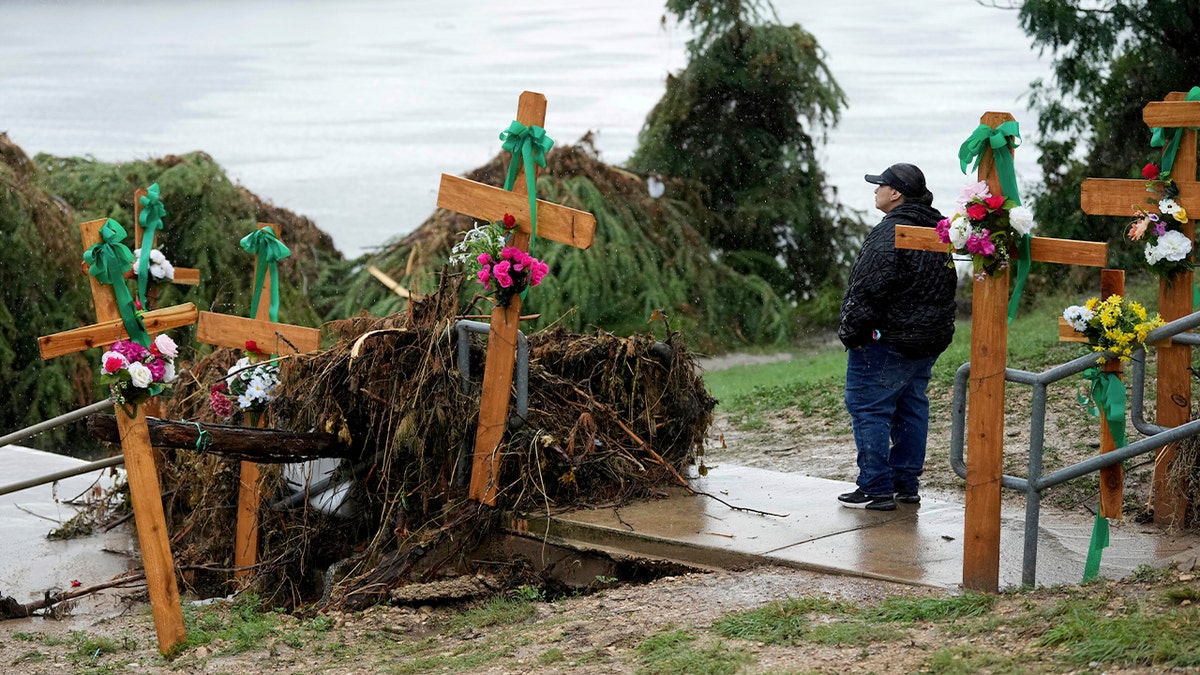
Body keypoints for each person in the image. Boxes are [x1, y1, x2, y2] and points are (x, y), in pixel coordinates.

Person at [836, 163, 957, 511]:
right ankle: (905, 484)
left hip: (886, 340)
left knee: (868, 407)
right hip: (927, 341)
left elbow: (868, 288)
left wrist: (851, 333)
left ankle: (876, 487)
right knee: (911, 408)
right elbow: (946, 286)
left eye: (880, 186)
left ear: (896, 193)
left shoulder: (890, 231)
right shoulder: (938, 228)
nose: (875, 191)